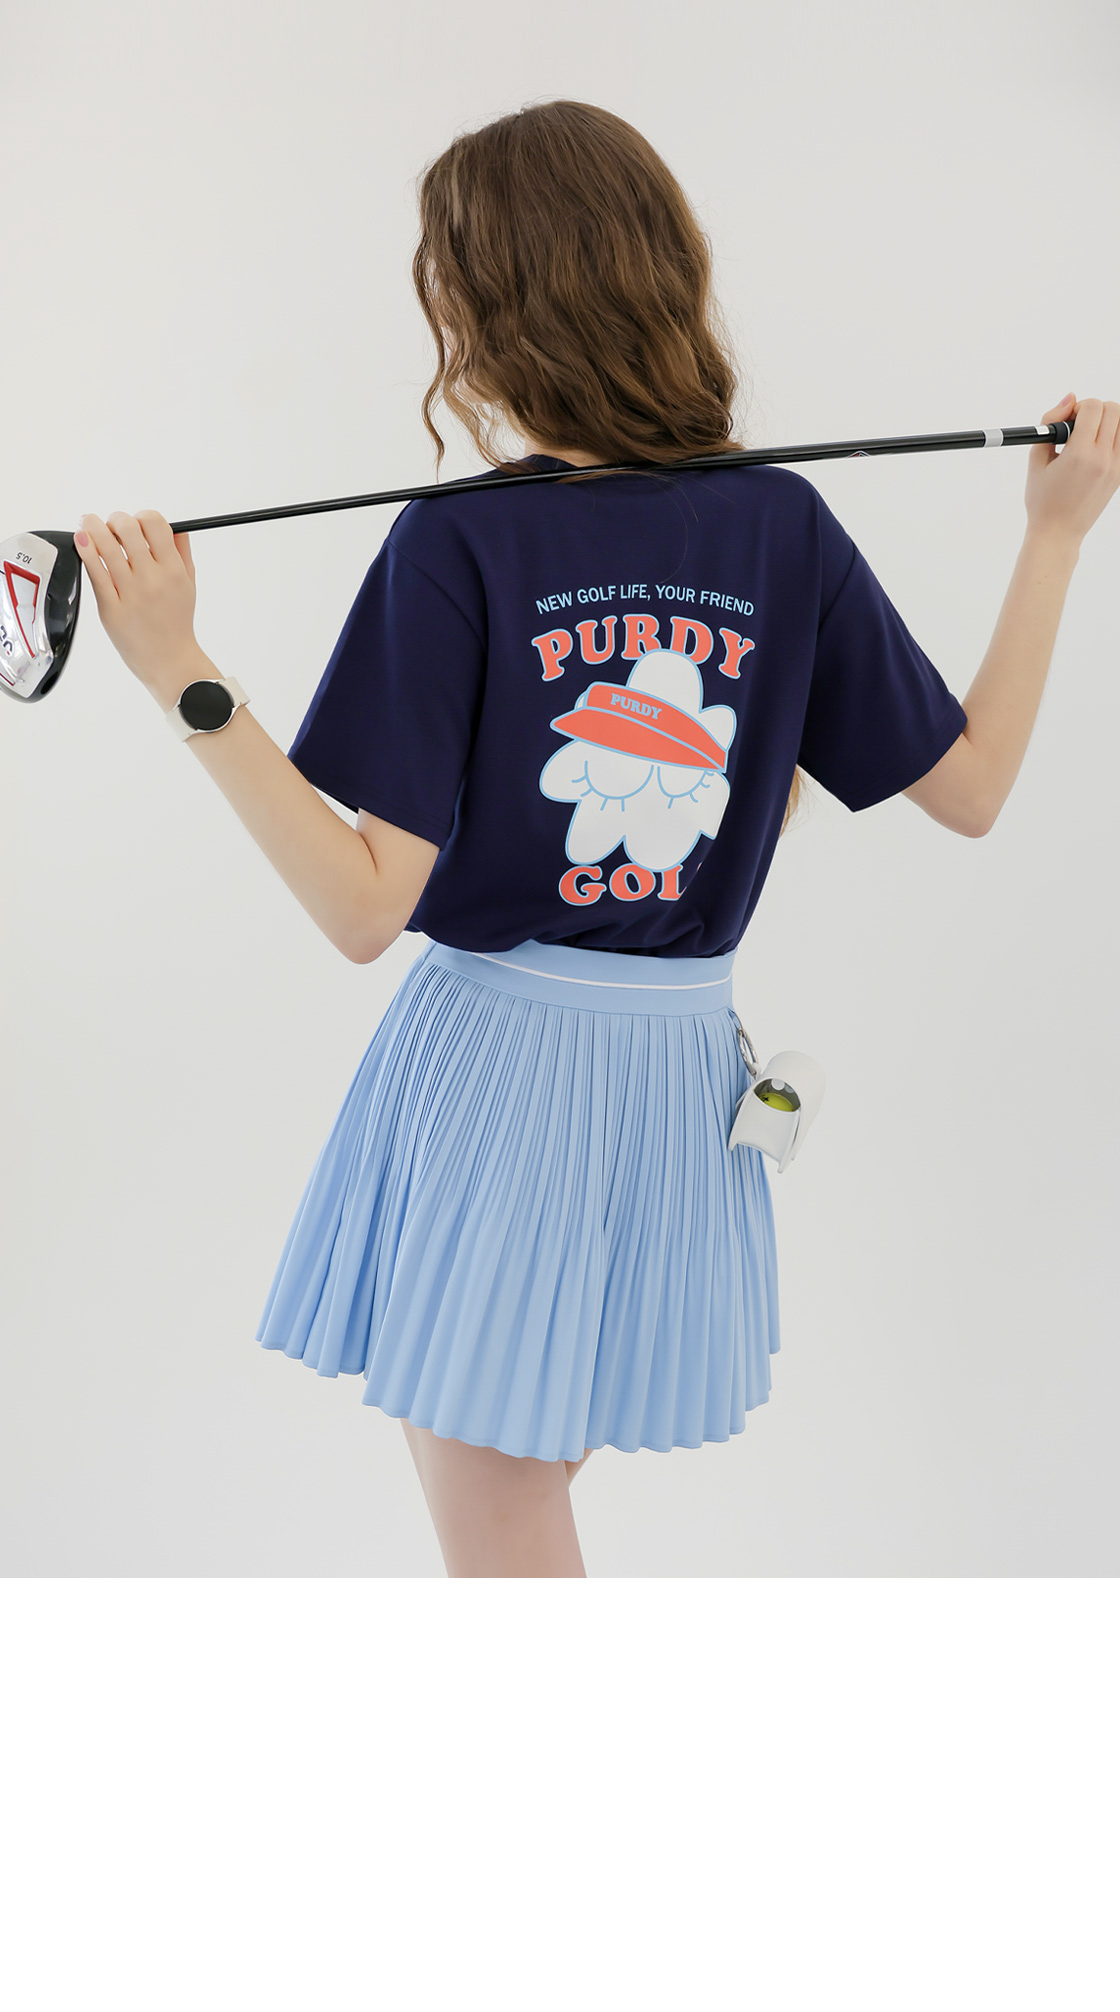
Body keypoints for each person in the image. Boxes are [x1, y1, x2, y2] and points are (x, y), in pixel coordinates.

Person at [72, 100, 1120, 1579]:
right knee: (519, 1528)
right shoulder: (778, 526)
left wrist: (181, 671)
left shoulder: (461, 540)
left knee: (506, 1553)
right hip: (677, 1077)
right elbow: (975, 784)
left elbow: (365, 909)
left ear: (483, 307)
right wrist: (1056, 537)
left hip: (501, 1083)